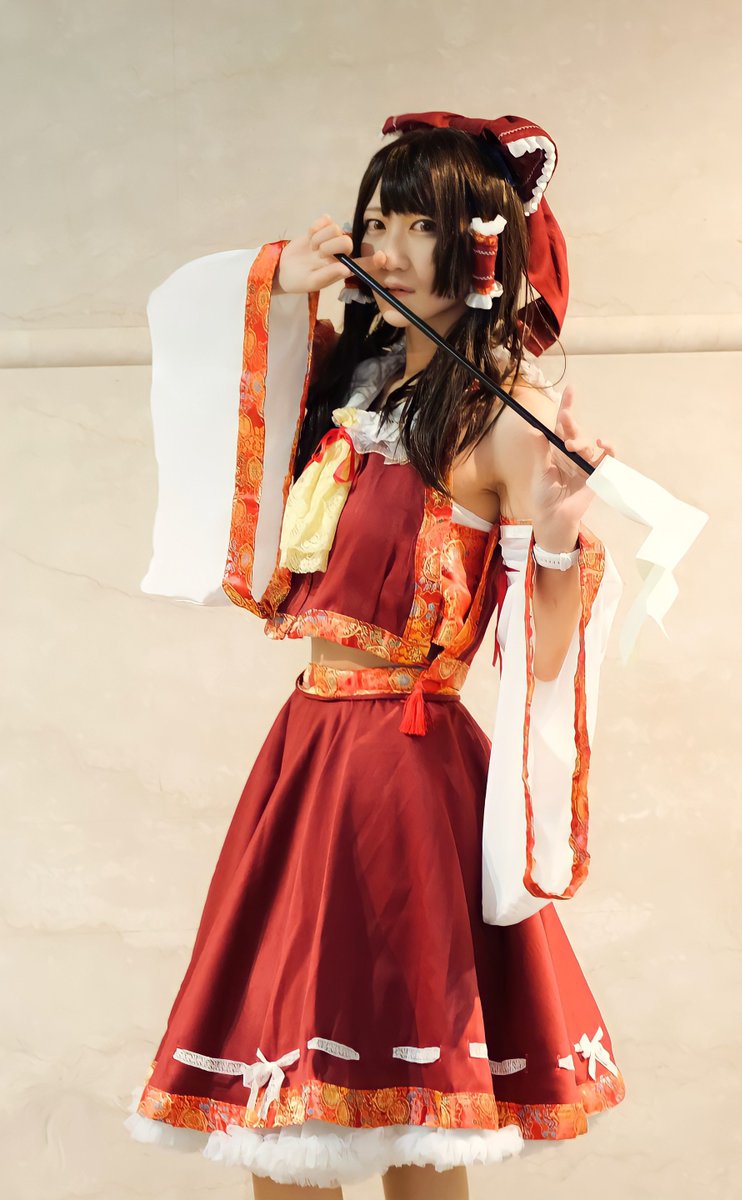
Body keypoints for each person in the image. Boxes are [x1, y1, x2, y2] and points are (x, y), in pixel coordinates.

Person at [124, 115, 626, 1197]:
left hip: (404, 776)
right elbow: (226, 447)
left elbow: (541, 651)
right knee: (281, 1123)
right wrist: (278, 289)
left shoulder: (505, 418)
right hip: (306, 758)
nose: (386, 250)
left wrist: (553, 534)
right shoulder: (352, 389)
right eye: (377, 221)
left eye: (420, 226)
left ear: (483, 248)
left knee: (414, 1124)